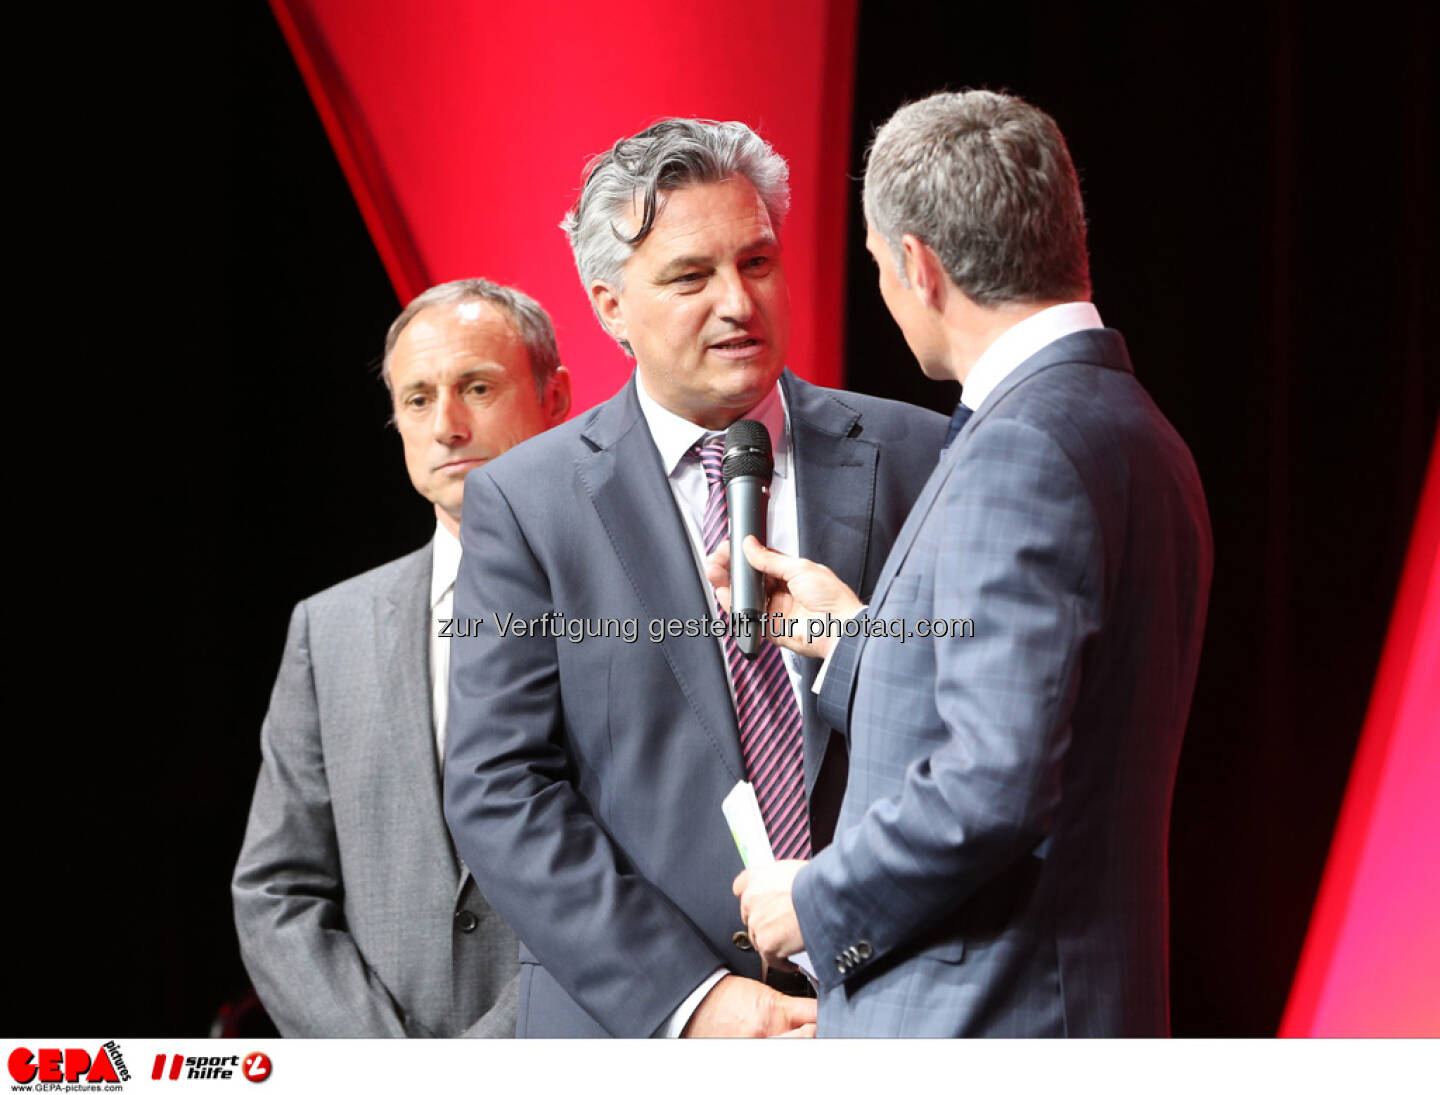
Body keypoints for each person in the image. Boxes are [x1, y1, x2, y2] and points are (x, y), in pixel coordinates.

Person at [442, 119, 947, 1037]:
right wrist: (696, 999)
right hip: (643, 1022)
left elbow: (977, 721)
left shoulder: (919, 453)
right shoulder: (526, 500)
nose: (738, 303)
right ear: (608, 305)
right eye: (689, 276)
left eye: (757, 263)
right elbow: (499, 786)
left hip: (892, 1000)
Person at [725, 90, 1214, 1036]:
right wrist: (855, 637)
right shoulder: (1132, 426)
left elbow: (994, 782)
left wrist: (818, 898)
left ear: (919, 264)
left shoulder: (1022, 446)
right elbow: (1056, 712)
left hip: (991, 1018)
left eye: (875, 265)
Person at [233, 278, 571, 1036]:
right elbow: (276, 889)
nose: (447, 424)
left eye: (476, 387)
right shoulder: (328, 628)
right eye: (418, 399)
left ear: (556, 398)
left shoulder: (636, 609)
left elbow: (660, 866)